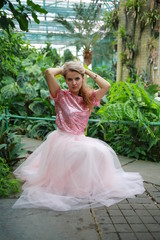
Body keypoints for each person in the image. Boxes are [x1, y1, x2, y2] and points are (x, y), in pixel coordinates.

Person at [12, 60, 145, 211]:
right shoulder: (60, 95)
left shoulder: (89, 98)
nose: (74, 83)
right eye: (70, 79)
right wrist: (65, 69)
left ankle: (88, 186)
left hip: (79, 138)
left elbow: (106, 85)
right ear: (65, 80)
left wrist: (86, 71)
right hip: (62, 138)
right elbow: (49, 72)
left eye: (77, 78)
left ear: (82, 79)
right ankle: (69, 186)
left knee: (102, 152)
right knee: (82, 152)